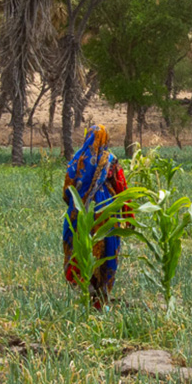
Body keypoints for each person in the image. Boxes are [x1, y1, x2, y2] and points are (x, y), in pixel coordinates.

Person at [62, 125, 129, 308]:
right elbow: (122, 189)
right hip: (105, 211)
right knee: (106, 250)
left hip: (80, 211)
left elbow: (67, 190)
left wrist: (77, 203)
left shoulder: (78, 160)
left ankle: (83, 290)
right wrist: (128, 216)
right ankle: (101, 297)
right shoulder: (111, 161)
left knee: (79, 246)